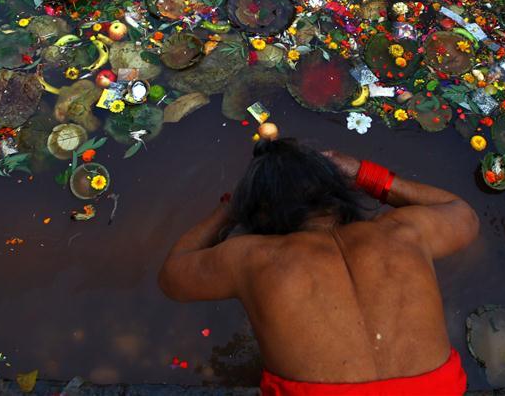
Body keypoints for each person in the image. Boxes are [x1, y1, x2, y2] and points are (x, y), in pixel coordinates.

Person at [158, 138, 478, 395]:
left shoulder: (251, 257)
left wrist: (229, 209)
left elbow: (172, 275)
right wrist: (366, 175)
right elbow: (462, 212)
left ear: (262, 215)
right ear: (339, 192)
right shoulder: (405, 232)